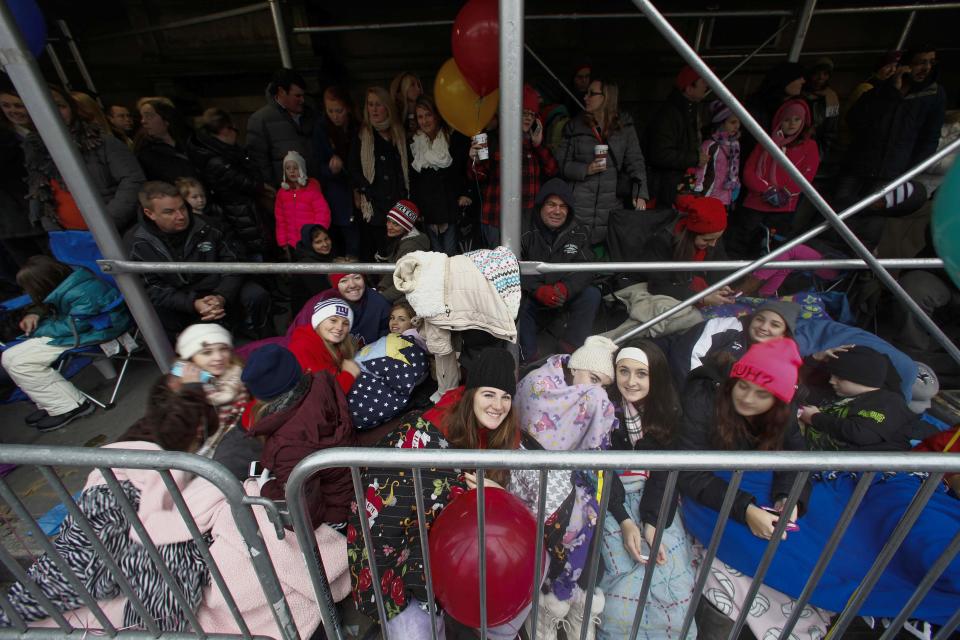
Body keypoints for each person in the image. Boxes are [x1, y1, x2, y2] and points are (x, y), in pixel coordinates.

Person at [347, 347, 519, 638]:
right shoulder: (425, 433)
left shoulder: (507, 436)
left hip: (462, 558)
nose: (498, 405)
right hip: (407, 558)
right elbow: (386, 510)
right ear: (471, 394)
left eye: (506, 397)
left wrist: (497, 495)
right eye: (489, 394)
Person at [511, 335, 619, 639]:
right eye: (594, 378)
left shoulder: (585, 394)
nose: (597, 391)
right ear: (577, 367)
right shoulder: (540, 382)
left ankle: (570, 607)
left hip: (569, 476)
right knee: (566, 520)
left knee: (588, 515)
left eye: (603, 385)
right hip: (526, 469)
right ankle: (545, 609)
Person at [597, 340, 699, 640]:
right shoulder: (601, 407)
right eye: (624, 371)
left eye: (641, 373)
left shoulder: (669, 411)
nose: (631, 381)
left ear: (656, 375)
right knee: (625, 568)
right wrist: (626, 520)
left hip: (658, 500)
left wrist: (653, 521)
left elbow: (665, 473)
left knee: (670, 568)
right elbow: (599, 469)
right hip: (610, 498)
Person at [2, 256, 130, 431]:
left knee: (22, 363)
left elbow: (76, 325)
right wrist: (36, 315)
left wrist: (39, 329)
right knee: (8, 357)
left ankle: (72, 406)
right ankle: (51, 403)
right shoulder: (68, 284)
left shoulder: (84, 292)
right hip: (79, 328)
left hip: (98, 331)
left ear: (43, 285)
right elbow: (60, 315)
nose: (28, 293)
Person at [129, 181, 271, 338]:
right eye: (169, 212)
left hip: (219, 290)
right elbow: (152, 288)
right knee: (154, 314)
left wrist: (221, 296)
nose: (181, 216)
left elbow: (235, 263)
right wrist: (192, 303)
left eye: (182, 207)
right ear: (150, 214)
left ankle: (260, 337)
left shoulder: (210, 226)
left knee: (255, 294)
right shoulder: (138, 243)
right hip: (180, 300)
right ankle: (182, 354)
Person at [839, 45, 947, 244]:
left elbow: (929, 137)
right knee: (837, 209)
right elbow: (855, 119)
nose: (926, 68)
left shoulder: (934, 94)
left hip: (893, 170)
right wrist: (890, 90)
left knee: (872, 222)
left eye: (931, 62)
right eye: (920, 62)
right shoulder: (884, 88)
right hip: (859, 162)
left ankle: (858, 268)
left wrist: (909, 170)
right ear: (905, 66)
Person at [242, 344, 358, 527]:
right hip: (350, 481)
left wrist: (266, 488)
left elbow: (305, 517)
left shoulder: (286, 444)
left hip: (337, 514)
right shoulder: (322, 380)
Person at [24, 86, 145, 233]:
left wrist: (107, 224)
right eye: (42, 108)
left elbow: (133, 181)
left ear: (72, 108)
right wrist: (53, 229)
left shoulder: (103, 143)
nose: (52, 112)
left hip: (117, 234)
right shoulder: (35, 152)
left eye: (60, 106)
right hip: (70, 240)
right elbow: (40, 194)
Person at [557, 75, 648, 246]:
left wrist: (640, 194)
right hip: (578, 205)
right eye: (586, 93)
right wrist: (586, 169)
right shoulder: (574, 126)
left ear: (607, 97)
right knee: (575, 253)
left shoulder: (625, 127)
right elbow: (560, 164)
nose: (585, 97)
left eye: (592, 94)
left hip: (611, 204)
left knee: (607, 256)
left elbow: (636, 162)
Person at [518, 178, 600, 363]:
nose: (557, 211)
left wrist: (566, 288)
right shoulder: (522, 226)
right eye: (551, 204)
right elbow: (508, 266)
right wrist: (537, 289)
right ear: (540, 206)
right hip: (532, 294)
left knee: (591, 294)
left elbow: (587, 268)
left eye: (563, 206)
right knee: (516, 298)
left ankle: (570, 351)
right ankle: (529, 358)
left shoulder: (578, 230)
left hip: (561, 293)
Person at [799, 345, 936, 451]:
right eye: (832, 376)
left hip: (858, 472)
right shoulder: (837, 392)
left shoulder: (888, 403)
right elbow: (793, 388)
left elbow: (862, 434)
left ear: (862, 380)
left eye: (839, 378)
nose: (832, 381)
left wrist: (814, 418)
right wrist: (814, 359)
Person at [470, 84, 558, 248]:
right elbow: (478, 176)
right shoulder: (495, 139)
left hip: (527, 222)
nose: (528, 118)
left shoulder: (535, 143)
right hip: (497, 220)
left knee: (524, 268)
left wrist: (539, 145)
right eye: (524, 112)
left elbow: (552, 171)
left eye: (532, 114)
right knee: (500, 271)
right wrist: (474, 159)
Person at [732, 99, 820, 258]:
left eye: (797, 119)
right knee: (742, 241)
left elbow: (807, 175)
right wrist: (766, 189)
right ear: (779, 121)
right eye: (787, 120)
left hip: (784, 205)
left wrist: (785, 192)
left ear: (804, 122)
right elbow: (748, 172)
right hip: (756, 202)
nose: (792, 124)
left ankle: (756, 279)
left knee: (769, 247)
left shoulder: (810, 146)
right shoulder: (766, 142)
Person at [187, 107, 269, 260]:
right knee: (256, 260)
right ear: (225, 130)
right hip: (240, 218)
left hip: (241, 216)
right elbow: (252, 184)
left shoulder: (216, 152)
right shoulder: (219, 161)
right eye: (235, 129)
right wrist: (247, 160)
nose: (237, 135)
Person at [642, 194, 735, 308]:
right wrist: (701, 298)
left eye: (717, 238)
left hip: (691, 286)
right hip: (671, 291)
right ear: (691, 234)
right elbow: (658, 285)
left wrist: (721, 284)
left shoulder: (712, 235)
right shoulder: (661, 241)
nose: (713, 244)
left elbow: (719, 261)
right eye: (707, 240)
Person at [349, 86, 409, 259]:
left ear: (387, 107)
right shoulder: (363, 134)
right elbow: (353, 168)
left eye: (378, 104)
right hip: (375, 205)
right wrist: (366, 190)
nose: (374, 109)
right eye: (370, 104)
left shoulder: (398, 132)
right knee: (380, 252)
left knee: (400, 253)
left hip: (398, 203)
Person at [409, 95, 472, 255]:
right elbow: (414, 181)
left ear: (437, 115)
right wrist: (417, 210)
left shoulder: (453, 138)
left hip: (451, 209)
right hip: (428, 212)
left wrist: (465, 193)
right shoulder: (416, 142)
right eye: (420, 116)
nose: (424, 121)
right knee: (435, 259)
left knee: (451, 257)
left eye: (428, 115)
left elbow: (465, 169)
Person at [172, 323, 248, 452]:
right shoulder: (178, 387)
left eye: (223, 349)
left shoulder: (239, 373)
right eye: (207, 353)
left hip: (233, 444)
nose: (218, 357)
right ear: (191, 359)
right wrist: (192, 388)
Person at [644, 65, 707, 208]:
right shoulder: (669, 114)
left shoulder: (689, 110)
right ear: (689, 88)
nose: (706, 85)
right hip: (666, 187)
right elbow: (660, 154)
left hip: (678, 184)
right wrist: (695, 158)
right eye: (703, 81)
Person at [246, 68, 318, 186]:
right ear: (281, 92)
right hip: (287, 194)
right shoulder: (260, 121)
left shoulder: (311, 112)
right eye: (297, 96)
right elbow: (260, 164)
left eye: (303, 95)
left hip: (315, 189)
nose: (302, 100)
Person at [0, 83, 45, 267]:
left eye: (18, 105)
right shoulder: (6, 139)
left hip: (46, 214)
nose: (12, 111)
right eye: (6, 105)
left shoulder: (46, 130)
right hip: (18, 221)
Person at [314, 86, 360, 258]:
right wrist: (331, 168)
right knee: (343, 238)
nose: (335, 115)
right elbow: (317, 164)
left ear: (347, 108)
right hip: (336, 194)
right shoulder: (321, 129)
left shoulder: (357, 127)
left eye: (339, 111)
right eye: (330, 111)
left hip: (357, 190)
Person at [287, 297, 360, 393]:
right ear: (318, 321)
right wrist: (348, 375)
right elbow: (321, 396)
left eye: (345, 323)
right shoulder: (302, 348)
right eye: (333, 320)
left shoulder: (336, 344)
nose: (339, 328)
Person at [742, 62, 806, 160]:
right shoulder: (757, 106)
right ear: (785, 80)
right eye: (798, 77)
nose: (803, 81)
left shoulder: (795, 106)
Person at [274, 150, 332, 257]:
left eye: (295, 168)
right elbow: (280, 220)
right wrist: (283, 242)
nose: (291, 171)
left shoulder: (312, 190)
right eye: (288, 168)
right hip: (292, 244)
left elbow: (323, 213)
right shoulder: (282, 194)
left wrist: (317, 237)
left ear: (302, 169)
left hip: (311, 244)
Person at [376, 200, 429, 302]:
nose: (389, 226)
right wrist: (381, 288)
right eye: (389, 221)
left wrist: (381, 297)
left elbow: (405, 283)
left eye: (396, 224)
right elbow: (394, 269)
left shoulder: (410, 247)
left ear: (406, 227)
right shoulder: (401, 238)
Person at [134, 98, 198, 184]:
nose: (143, 121)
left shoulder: (193, 140)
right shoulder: (145, 152)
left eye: (148, 116)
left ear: (167, 117)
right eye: (142, 117)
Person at [693, 99, 741, 207]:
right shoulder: (710, 145)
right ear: (721, 122)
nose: (737, 126)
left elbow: (734, 168)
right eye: (732, 122)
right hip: (709, 194)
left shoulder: (734, 144)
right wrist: (698, 189)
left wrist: (735, 185)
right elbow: (700, 169)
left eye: (739, 122)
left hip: (726, 196)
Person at [803, 57, 840, 170]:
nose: (820, 78)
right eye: (817, 73)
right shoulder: (800, 93)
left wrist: (820, 154)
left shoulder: (831, 97)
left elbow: (830, 130)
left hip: (815, 146)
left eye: (825, 74)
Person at [290, 223, 336, 314]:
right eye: (318, 242)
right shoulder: (307, 266)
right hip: (310, 312)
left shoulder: (327, 255)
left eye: (326, 239)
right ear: (309, 244)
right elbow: (323, 295)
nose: (325, 244)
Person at [389, 71, 423, 139]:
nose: (418, 89)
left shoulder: (424, 110)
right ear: (403, 88)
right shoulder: (395, 114)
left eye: (418, 85)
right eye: (412, 85)